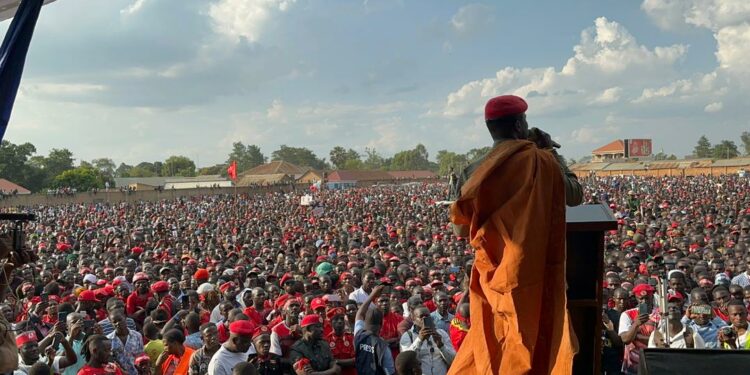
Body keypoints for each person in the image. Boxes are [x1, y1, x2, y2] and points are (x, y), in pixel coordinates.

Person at [448, 95, 580, 374]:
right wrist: (550, 150)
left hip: (493, 276)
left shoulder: (473, 171)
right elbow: (575, 195)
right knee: (537, 341)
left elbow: (460, 227)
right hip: (535, 271)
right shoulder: (542, 160)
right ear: (520, 124)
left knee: (496, 342)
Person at [399, 306, 455, 375]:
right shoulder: (407, 336)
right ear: (413, 319)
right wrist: (419, 340)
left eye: (427, 316)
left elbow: (453, 361)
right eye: (421, 316)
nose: (424, 318)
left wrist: (441, 346)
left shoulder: (441, 333)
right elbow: (406, 362)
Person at [354, 285, 395, 375]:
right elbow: (390, 373)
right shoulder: (383, 347)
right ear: (381, 324)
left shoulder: (359, 335)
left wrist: (372, 294)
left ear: (365, 322)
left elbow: (359, 314)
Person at [107, 311, 145, 375]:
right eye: (114, 322)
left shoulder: (137, 335)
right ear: (111, 324)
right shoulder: (109, 339)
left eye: (120, 320)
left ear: (125, 318)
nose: (118, 323)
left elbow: (141, 355)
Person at [324, 308, 355, 375]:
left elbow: (356, 360)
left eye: (342, 319)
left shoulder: (351, 338)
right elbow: (327, 363)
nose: (340, 321)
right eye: (336, 319)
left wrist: (337, 361)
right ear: (330, 322)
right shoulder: (326, 341)